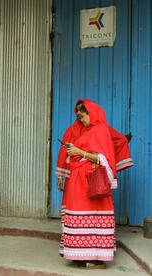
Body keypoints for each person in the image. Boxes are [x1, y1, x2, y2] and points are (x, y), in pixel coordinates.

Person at [56, 99, 133, 269]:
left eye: (83, 116)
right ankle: (80, 254)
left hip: (91, 181)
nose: (81, 120)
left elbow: (102, 158)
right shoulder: (87, 130)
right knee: (78, 215)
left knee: (91, 216)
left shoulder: (100, 130)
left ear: (92, 114)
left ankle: (96, 258)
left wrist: (79, 151)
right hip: (79, 181)